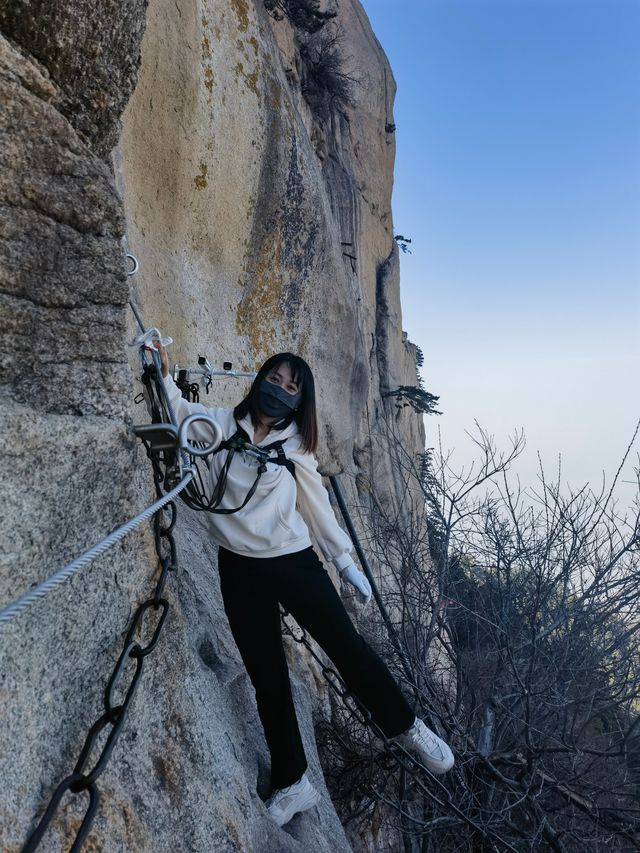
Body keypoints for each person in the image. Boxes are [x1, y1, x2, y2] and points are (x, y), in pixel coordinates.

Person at [155, 342, 454, 827]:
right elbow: (179, 410)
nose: (279, 391)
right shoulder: (222, 425)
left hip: (294, 563)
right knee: (267, 676)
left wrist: (344, 561)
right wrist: (158, 366)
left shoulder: (295, 448)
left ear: (300, 401)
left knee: (347, 649)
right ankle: (293, 781)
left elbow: (317, 508)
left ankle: (407, 726)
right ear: (260, 382)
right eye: (274, 379)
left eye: (291, 388)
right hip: (238, 567)